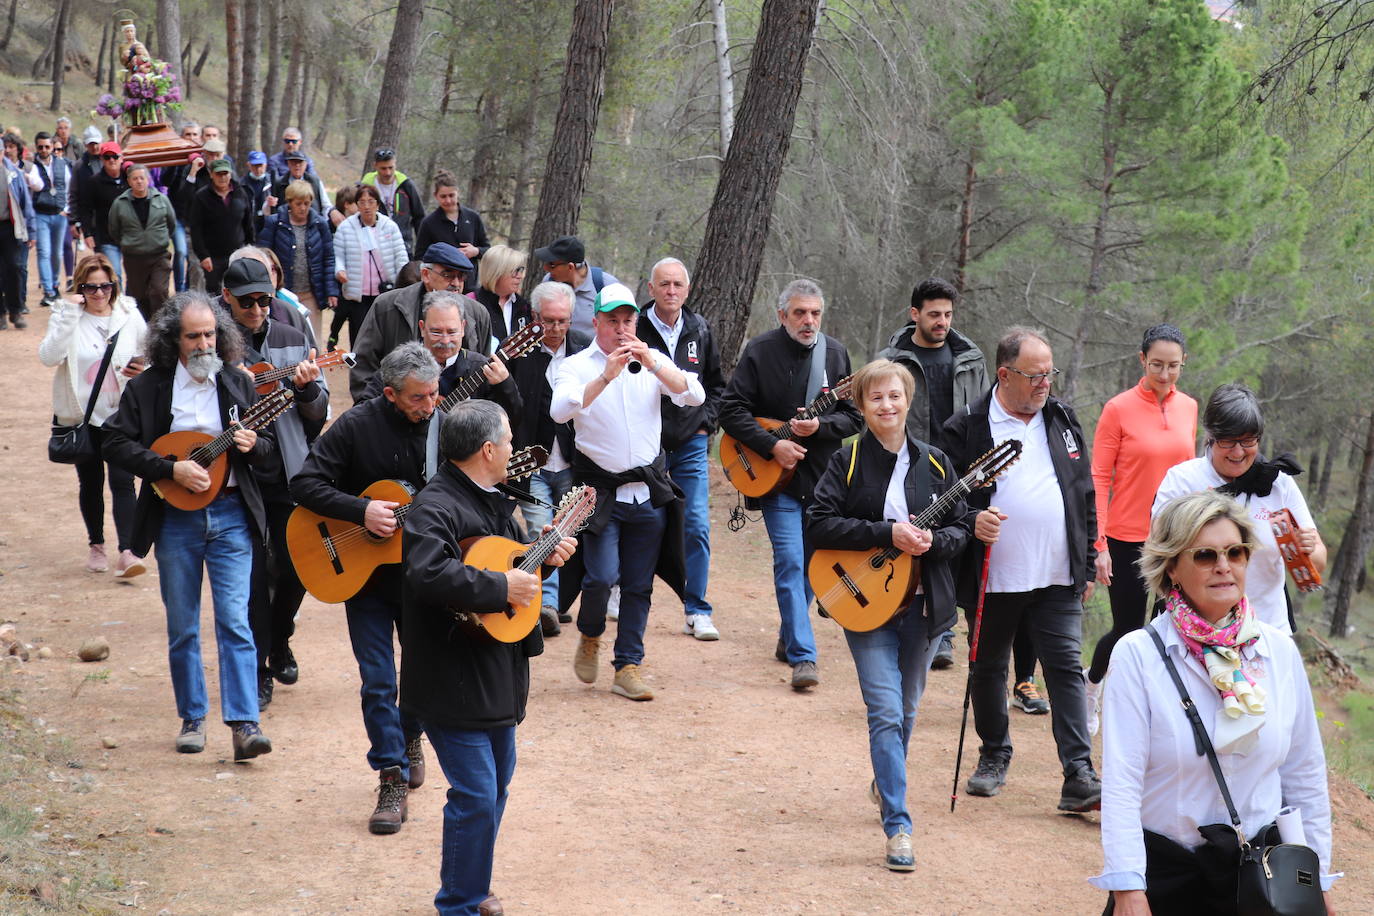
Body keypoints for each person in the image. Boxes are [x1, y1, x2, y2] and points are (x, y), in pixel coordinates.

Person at [1092, 490, 1337, 915]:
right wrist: (1128, 887)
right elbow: (1122, 783)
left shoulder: (1278, 652)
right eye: (1205, 555)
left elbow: (1304, 777)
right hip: (1166, 877)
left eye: (1236, 552)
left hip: (1259, 881)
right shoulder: (1139, 654)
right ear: (1172, 567)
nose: (1224, 566)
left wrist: (1315, 880)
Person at [400, 400, 577, 916]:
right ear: (487, 449)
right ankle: (459, 902)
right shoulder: (435, 506)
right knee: (477, 793)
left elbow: (502, 561)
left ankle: (470, 888)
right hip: (449, 678)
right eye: (508, 439)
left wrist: (537, 553)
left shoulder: (496, 500)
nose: (513, 449)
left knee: (494, 787)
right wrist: (504, 583)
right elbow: (428, 574)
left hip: (495, 672)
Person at [807, 358, 975, 871]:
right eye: (876, 397)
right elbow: (818, 523)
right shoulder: (848, 459)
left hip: (924, 608)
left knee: (906, 711)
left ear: (908, 401)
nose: (887, 405)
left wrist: (933, 543)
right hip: (867, 606)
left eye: (895, 396)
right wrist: (887, 534)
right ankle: (899, 826)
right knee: (884, 712)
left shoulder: (938, 463)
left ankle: (886, 778)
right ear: (861, 406)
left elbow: (962, 529)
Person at [101, 292, 275, 760]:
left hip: (233, 515)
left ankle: (244, 725)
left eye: (210, 334)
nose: (203, 345)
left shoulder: (239, 384)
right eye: (193, 336)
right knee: (183, 625)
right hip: (176, 519)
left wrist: (253, 445)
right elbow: (114, 442)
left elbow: (270, 454)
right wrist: (167, 469)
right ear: (172, 340)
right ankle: (192, 717)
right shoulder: (150, 388)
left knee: (235, 621)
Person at [941, 327, 1101, 812]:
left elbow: (1083, 494)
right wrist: (972, 519)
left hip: (1057, 574)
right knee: (988, 668)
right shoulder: (965, 427)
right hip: (994, 576)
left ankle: (1078, 774)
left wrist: (1088, 562)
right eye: (1034, 375)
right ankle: (993, 756)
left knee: (1066, 670)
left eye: (1049, 373)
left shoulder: (1062, 419)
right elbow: (942, 501)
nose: (1044, 383)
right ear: (1004, 374)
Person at [290, 342, 441, 834]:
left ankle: (410, 735)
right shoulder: (356, 426)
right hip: (364, 578)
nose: (429, 405)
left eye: (434, 394)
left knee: (420, 673)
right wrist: (362, 511)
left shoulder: (445, 424)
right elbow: (305, 484)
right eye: (418, 398)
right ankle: (391, 776)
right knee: (378, 680)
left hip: (422, 575)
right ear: (393, 394)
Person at [550, 283, 705, 701]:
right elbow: (561, 409)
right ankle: (590, 634)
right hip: (599, 493)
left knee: (639, 584)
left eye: (628, 321)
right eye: (612, 321)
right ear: (596, 322)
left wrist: (654, 363)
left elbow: (694, 394)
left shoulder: (652, 361)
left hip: (647, 492)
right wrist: (605, 376)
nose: (621, 329)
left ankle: (628, 666)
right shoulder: (577, 365)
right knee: (600, 576)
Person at [718, 279, 864, 690]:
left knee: (810, 571)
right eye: (800, 312)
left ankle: (789, 637)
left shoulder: (834, 354)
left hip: (823, 481)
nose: (808, 320)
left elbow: (854, 417)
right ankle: (805, 657)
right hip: (776, 482)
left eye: (815, 313)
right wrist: (771, 445)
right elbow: (731, 410)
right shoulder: (760, 351)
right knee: (790, 562)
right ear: (782, 315)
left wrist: (821, 426)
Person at [1083, 324, 1198, 735]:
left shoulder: (1189, 407)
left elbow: (1191, 474)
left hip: (1176, 537)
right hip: (1126, 535)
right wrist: (1099, 544)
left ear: (1183, 363)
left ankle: (1149, 709)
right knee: (1129, 629)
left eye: (1173, 366)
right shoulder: (1118, 408)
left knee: (1168, 627)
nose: (1164, 375)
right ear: (1141, 360)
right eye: (1156, 365)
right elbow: (1098, 477)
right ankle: (1092, 684)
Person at [221, 257, 326, 708]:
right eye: (248, 302)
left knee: (298, 563)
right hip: (235, 473)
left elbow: (316, 417)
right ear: (227, 298)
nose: (258, 309)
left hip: (286, 468)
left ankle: (280, 636)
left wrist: (305, 391)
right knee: (254, 573)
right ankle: (261, 665)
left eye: (264, 300)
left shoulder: (292, 337)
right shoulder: (214, 341)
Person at [876, 277, 989, 671]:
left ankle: (944, 632)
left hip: (957, 465)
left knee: (950, 542)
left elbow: (983, 411)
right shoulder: (892, 358)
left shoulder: (971, 358)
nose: (942, 321)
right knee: (915, 538)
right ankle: (904, 614)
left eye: (948, 314)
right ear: (915, 314)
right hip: (909, 462)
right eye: (934, 314)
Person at [1153, 383, 1326, 634]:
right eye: (1228, 442)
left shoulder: (1278, 484)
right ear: (1210, 437)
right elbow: (1159, 555)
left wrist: (1307, 550)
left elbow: (1318, 561)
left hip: (1267, 628)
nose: (1238, 452)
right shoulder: (1183, 481)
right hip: (1195, 628)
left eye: (1247, 442)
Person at [38, 253, 148, 575]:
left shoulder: (128, 313)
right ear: (80, 287)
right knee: (91, 482)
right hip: (83, 416)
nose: (99, 294)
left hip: (121, 415)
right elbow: (49, 356)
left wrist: (141, 368)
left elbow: (151, 354)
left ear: (114, 285)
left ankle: (128, 550)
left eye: (105, 287)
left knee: (123, 480)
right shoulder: (67, 314)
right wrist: (69, 312)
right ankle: (96, 545)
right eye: (90, 287)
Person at [637, 257, 726, 640]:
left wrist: (706, 423)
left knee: (696, 525)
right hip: (645, 441)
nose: (671, 291)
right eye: (664, 284)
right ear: (651, 289)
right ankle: (623, 590)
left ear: (687, 290)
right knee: (642, 522)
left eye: (678, 285)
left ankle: (697, 608)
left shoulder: (700, 329)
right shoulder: (635, 327)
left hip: (691, 442)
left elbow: (718, 385)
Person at [510, 281, 588, 636]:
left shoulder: (583, 353)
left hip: (573, 463)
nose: (556, 329)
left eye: (563, 321)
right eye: (549, 320)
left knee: (566, 534)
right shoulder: (519, 354)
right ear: (534, 316)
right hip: (533, 463)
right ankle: (548, 606)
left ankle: (554, 601)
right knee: (544, 529)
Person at [347, 242, 490, 399]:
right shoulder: (387, 306)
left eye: (461, 276)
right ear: (426, 275)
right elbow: (362, 364)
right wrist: (373, 410)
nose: (456, 283)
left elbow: (481, 371)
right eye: (448, 275)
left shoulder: (478, 313)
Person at [256, 179, 338, 345]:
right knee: (283, 341)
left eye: (307, 203)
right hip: (282, 293)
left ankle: (314, 371)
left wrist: (331, 291)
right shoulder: (274, 222)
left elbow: (329, 257)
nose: (303, 208)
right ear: (289, 202)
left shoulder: (320, 224)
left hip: (311, 294)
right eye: (299, 203)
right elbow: (263, 256)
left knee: (313, 341)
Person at [332, 183, 408, 352]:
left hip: (385, 291)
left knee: (385, 334)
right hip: (358, 293)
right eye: (362, 202)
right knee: (359, 335)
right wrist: (340, 271)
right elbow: (338, 256)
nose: (367, 206)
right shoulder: (346, 228)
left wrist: (402, 282)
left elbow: (401, 257)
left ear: (378, 204)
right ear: (356, 205)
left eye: (371, 201)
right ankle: (358, 370)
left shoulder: (390, 226)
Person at [106, 162, 176, 321]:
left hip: (159, 255)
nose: (139, 181)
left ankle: (161, 326)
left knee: (158, 291)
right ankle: (143, 328)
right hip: (134, 258)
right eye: (135, 178)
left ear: (148, 179)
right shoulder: (120, 203)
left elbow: (171, 224)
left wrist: (159, 239)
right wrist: (129, 243)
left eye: (142, 178)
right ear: (129, 181)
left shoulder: (161, 199)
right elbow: (114, 230)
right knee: (139, 296)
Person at [412, 169, 489, 289]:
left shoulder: (473, 217)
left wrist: (476, 251)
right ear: (435, 196)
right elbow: (420, 257)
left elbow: (487, 250)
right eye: (443, 196)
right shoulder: (428, 223)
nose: (448, 200)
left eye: (451, 195)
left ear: (458, 193)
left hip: (469, 284)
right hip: (440, 286)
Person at [189, 158, 255, 294]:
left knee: (239, 290)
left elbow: (248, 223)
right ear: (211, 174)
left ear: (230, 174)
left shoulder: (241, 193)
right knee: (215, 293)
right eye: (219, 174)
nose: (223, 177)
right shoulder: (201, 197)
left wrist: (250, 248)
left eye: (225, 173)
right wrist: (203, 256)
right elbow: (196, 229)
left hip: (238, 253)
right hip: (213, 258)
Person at [534, 235, 619, 337]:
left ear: (570, 267)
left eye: (552, 265)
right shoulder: (549, 281)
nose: (546, 268)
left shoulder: (606, 286)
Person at [30, 132, 76, 308]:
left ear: (52, 147)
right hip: (41, 214)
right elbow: (33, 186)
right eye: (40, 147)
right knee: (43, 252)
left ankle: (55, 284)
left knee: (57, 253)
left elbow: (70, 187)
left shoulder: (62, 164)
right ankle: (48, 290)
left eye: (47, 146)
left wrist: (67, 210)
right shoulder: (33, 166)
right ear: (36, 147)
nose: (44, 150)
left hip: (59, 214)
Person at [77, 142, 128, 282]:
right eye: (107, 157)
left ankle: (130, 303)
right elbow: (85, 208)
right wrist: (87, 233)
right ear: (101, 160)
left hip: (131, 235)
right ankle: (117, 302)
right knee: (114, 273)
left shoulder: (130, 178)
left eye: (115, 156)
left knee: (135, 274)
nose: (111, 160)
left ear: (121, 158)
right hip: (106, 236)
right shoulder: (94, 182)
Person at [0, 135, 36, 329]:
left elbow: (26, 204)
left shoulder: (13, 173)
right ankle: (0, 314)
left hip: (10, 226)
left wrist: (31, 231)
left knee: (14, 267)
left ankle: (15, 310)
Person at [361, 148, 424, 257]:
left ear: (395, 164)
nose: (388, 172)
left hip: (403, 244)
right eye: (383, 168)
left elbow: (419, 216)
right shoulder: (366, 186)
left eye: (391, 167)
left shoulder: (406, 185)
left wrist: (422, 248)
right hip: (374, 244)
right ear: (375, 166)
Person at [473, 243, 530, 347]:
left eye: (521, 270)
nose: (520, 276)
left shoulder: (523, 306)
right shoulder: (472, 302)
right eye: (515, 271)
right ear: (496, 272)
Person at [265, 151, 326, 218]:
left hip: (312, 223)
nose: (297, 165)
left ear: (306, 164)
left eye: (300, 163)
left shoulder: (315, 182)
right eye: (293, 162)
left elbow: (325, 205)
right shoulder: (278, 183)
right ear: (288, 164)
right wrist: (269, 204)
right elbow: (266, 210)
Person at [241, 151, 272, 237]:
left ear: (265, 165)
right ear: (249, 165)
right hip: (250, 224)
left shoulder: (273, 182)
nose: (258, 169)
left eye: (260, 166)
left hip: (269, 224)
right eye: (255, 166)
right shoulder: (242, 184)